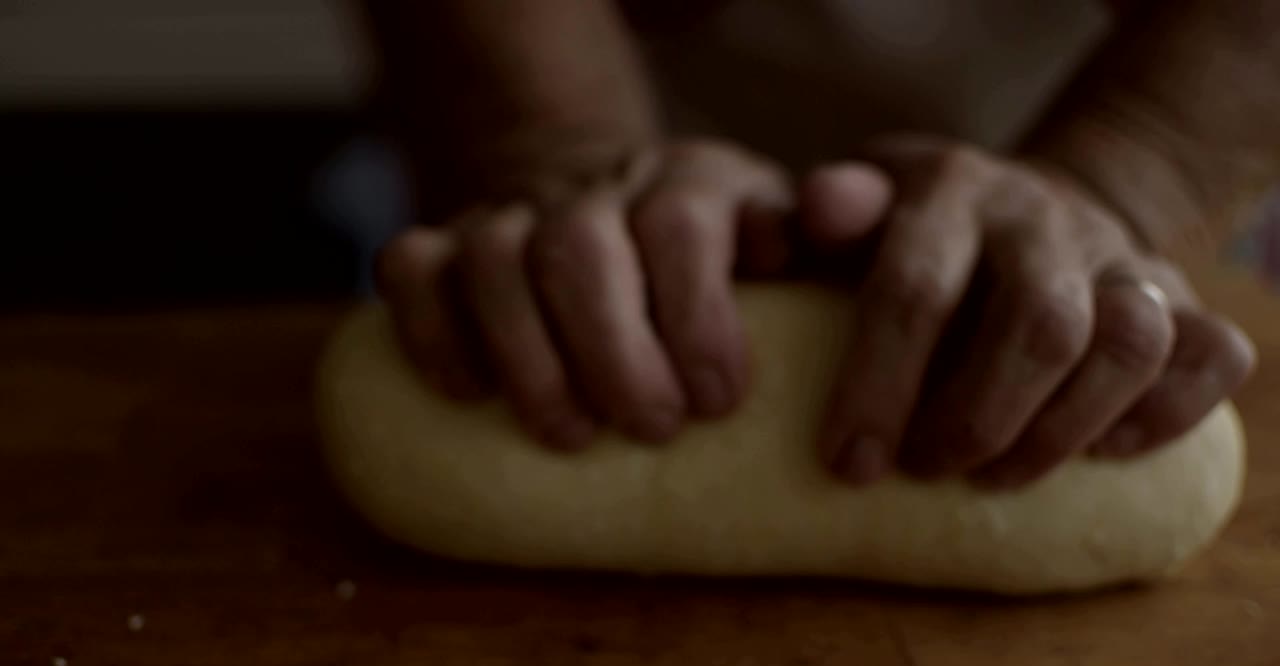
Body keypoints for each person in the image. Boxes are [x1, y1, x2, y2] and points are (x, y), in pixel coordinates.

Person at [352, 0, 1273, 489]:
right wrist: (555, 151)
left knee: (1111, 346)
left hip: (1154, 103)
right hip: (644, 93)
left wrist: (1131, 175)